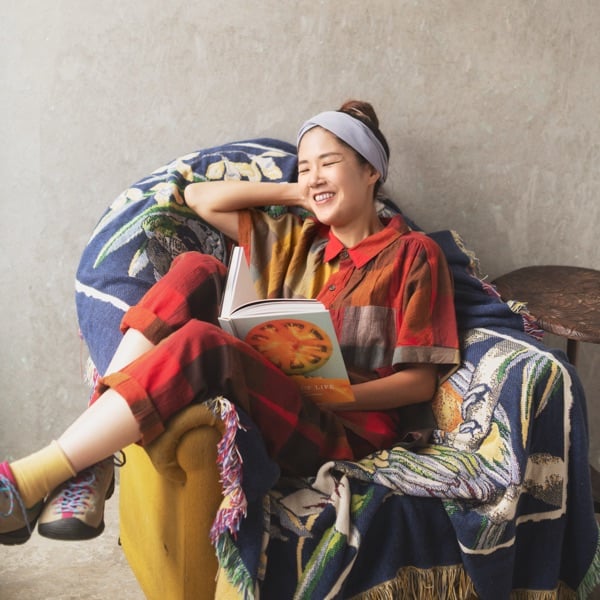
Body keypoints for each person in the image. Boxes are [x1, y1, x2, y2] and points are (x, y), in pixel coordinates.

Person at [0, 100, 460, 546]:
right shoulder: (295, 237)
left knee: (204, 343)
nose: (315, 175)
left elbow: (420, 382)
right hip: (277, 393)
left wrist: (332, 393)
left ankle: (27, 481)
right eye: (305, 167)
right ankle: (92, 460)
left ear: (370, 170)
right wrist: (297, 192)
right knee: (196, 268)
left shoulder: (414, 254)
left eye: (330, 163)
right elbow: (198, 197)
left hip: (346, 430)